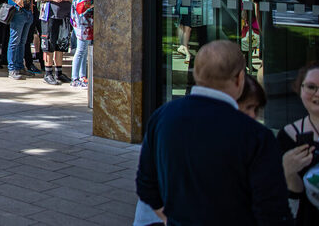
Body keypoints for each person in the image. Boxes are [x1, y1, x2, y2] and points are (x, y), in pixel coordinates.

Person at [136, 40, 291, 225]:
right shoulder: (256, 135)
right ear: (240, 78)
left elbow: (146, 185)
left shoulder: (161, 117)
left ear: (195, 73)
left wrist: (171, 218)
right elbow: (272, 211)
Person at [278, 62, 319, 225]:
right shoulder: (288, 136)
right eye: (311, 87)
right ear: (300, 89)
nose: (317, 94)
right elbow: (284, 199)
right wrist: (288, 172)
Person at [36, 0, 74, 85]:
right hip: (50, 15)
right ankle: (48, 72)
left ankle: (59, 72)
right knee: (48, 44)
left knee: (61, 45)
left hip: (64, 15)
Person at [71, 0, 94, 88]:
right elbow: (81, 8)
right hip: (82, 24)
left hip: (83, 24)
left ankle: (82, 76)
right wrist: (92, 5)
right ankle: (75, 78)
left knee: (84, 51)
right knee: (80, 51)